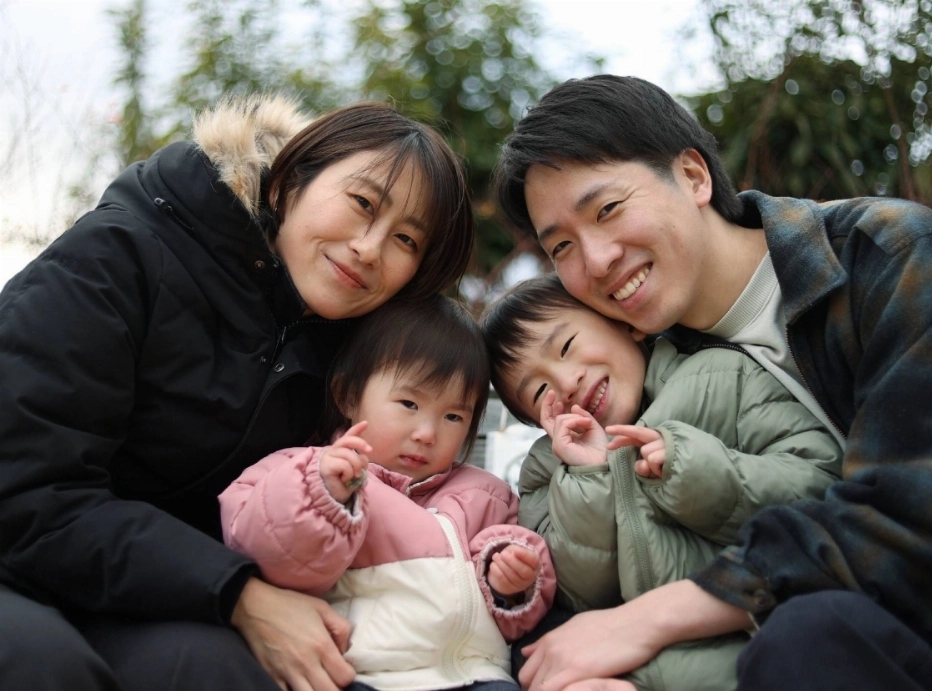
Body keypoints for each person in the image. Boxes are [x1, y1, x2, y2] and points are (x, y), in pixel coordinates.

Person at [491, 74, 932, 691]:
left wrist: (651, 619)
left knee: (807, 640)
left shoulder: (885, 254)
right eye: (562, 246)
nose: (595, 261)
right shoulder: (638, 370)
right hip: (808, 637)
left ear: (694, 176)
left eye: (608, 209)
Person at [0, 95, 476, 691]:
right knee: (42, 665)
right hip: (18, 559)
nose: (370, 247)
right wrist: (239, 594)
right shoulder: (118, 256)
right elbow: (27, 492)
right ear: (286, 185)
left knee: (222, 671)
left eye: (406, 240)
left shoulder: (346, 355)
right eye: (362, 204)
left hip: (142, 593)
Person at [479, 273, 842, 690]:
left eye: (566, 347)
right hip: (638, 663)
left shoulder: (723, 375)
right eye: (540, 389)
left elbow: (820, 486)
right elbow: (578, 595)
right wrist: (588, 476)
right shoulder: (546, 470)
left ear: (624, 323)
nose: (566, 383)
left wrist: (692, 469)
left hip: (756, 630)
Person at [220, 295, 556, 691]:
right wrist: (322, 495)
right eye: (409, 403)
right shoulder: (302, 470)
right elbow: (271, 555)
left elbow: (517, 622)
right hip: (363, 675)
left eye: (453, 416)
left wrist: (512, 586)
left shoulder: (487, 495)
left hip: (479, 675)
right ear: (347, 395)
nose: (427, 434)